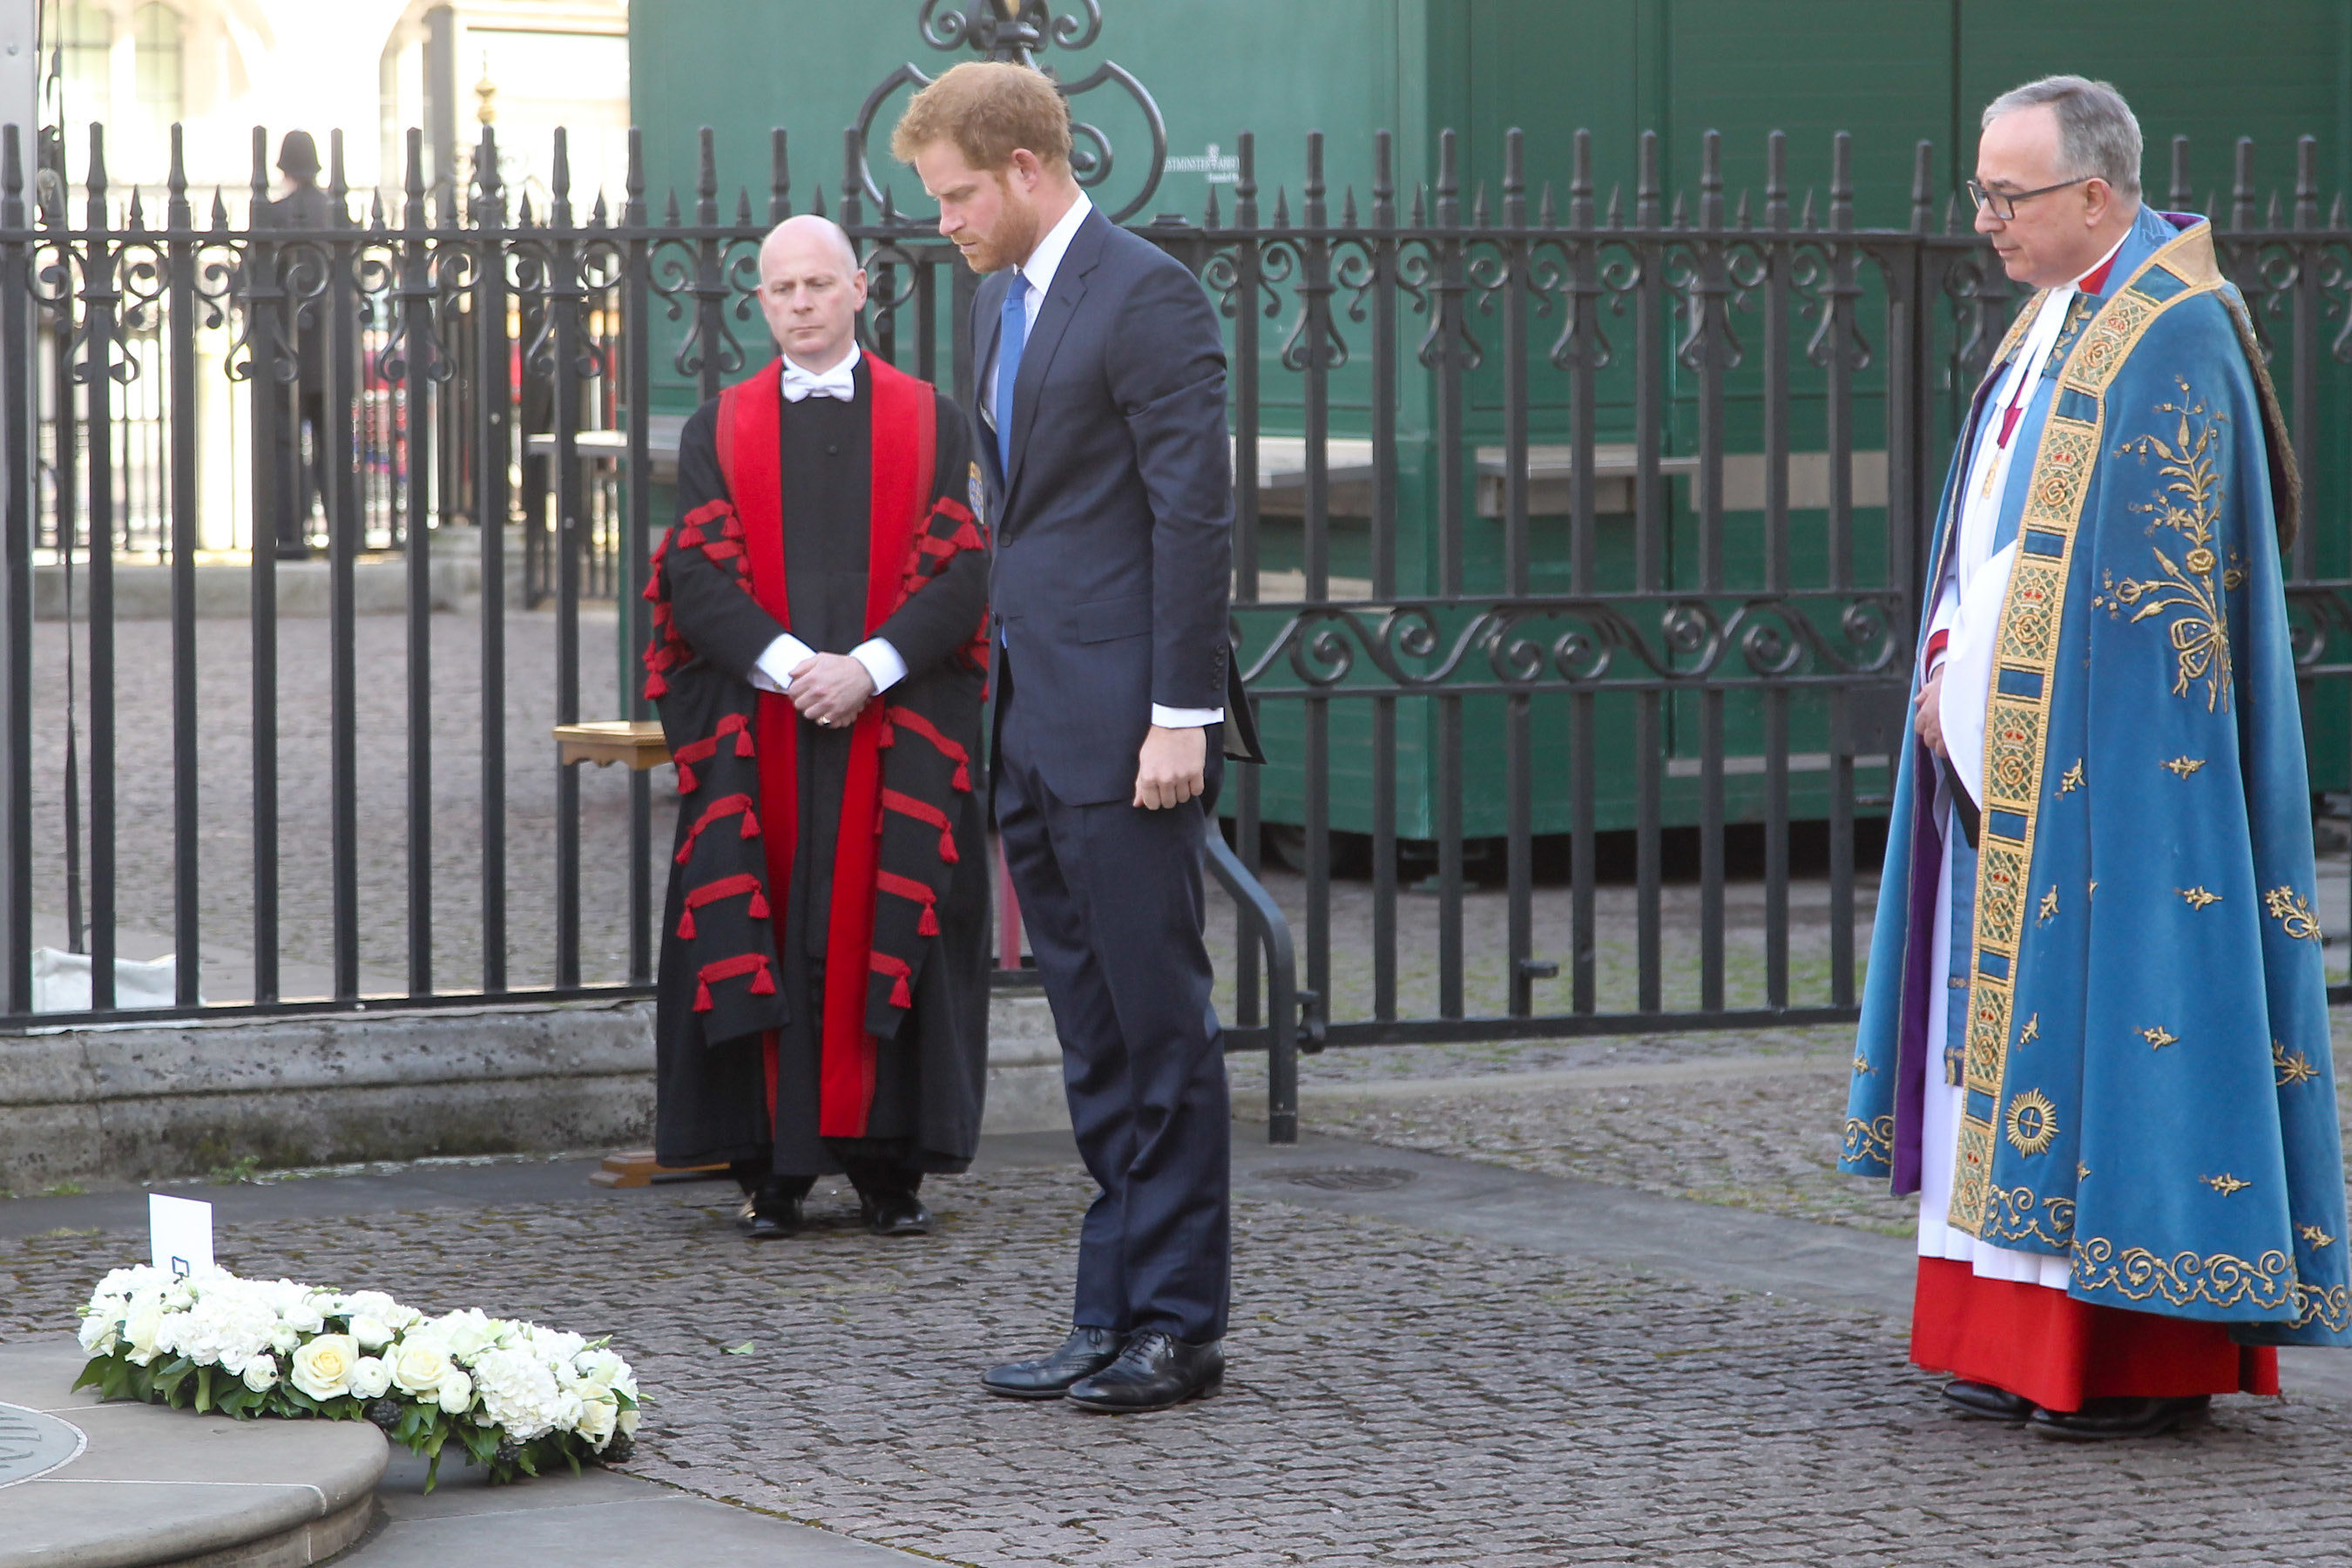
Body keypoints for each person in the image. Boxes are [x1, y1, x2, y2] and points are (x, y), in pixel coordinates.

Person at [1845, 76, 2351, 1439]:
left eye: (2009, 195)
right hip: (2002, 751)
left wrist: (1990, 684)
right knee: (1994, 1042)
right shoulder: (2050, 316)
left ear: (2097, 194)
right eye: (1980, 194)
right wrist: (1956, 669)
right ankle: (1997, 1329)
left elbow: (2153, 594)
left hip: (2124, 776)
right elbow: (2001, 527)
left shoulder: (2174, 333)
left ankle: (2126, 1352)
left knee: (2123, 1020)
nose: (1987, 220)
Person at [893, 62, 1260, 1414]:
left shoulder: (1149, 294)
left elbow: (1192, 519)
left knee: (1160, 1028)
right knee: (1094, 1038)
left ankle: (1180, 1326)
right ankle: (1106, 1316)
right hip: (1029, 721)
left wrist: (1181, 715)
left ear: (1029, 170)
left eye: (956, 195)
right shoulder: (998, 298)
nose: (943, 221)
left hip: (1127, 732)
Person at [642, 215, 991, 1240]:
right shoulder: (720, 427)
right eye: (780, 288)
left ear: (859, 289)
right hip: (769, 732)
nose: (799, 302)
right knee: (769, 926)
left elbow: (964, 571)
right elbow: (694, 577)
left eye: (817, 284)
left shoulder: (937, 423)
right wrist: (799, 670)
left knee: (897, 921)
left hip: (895, 722)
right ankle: (772, 1172)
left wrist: (870, 670)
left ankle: (893, 1171)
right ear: (759, 303)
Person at [261, 130, 332, 559]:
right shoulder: (337, 214)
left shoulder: (271, 215)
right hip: (331, 350)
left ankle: (289, 536)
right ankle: (349, 534)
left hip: (283, 349)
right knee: (336, 442)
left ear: (284, 168)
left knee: (285, 443)